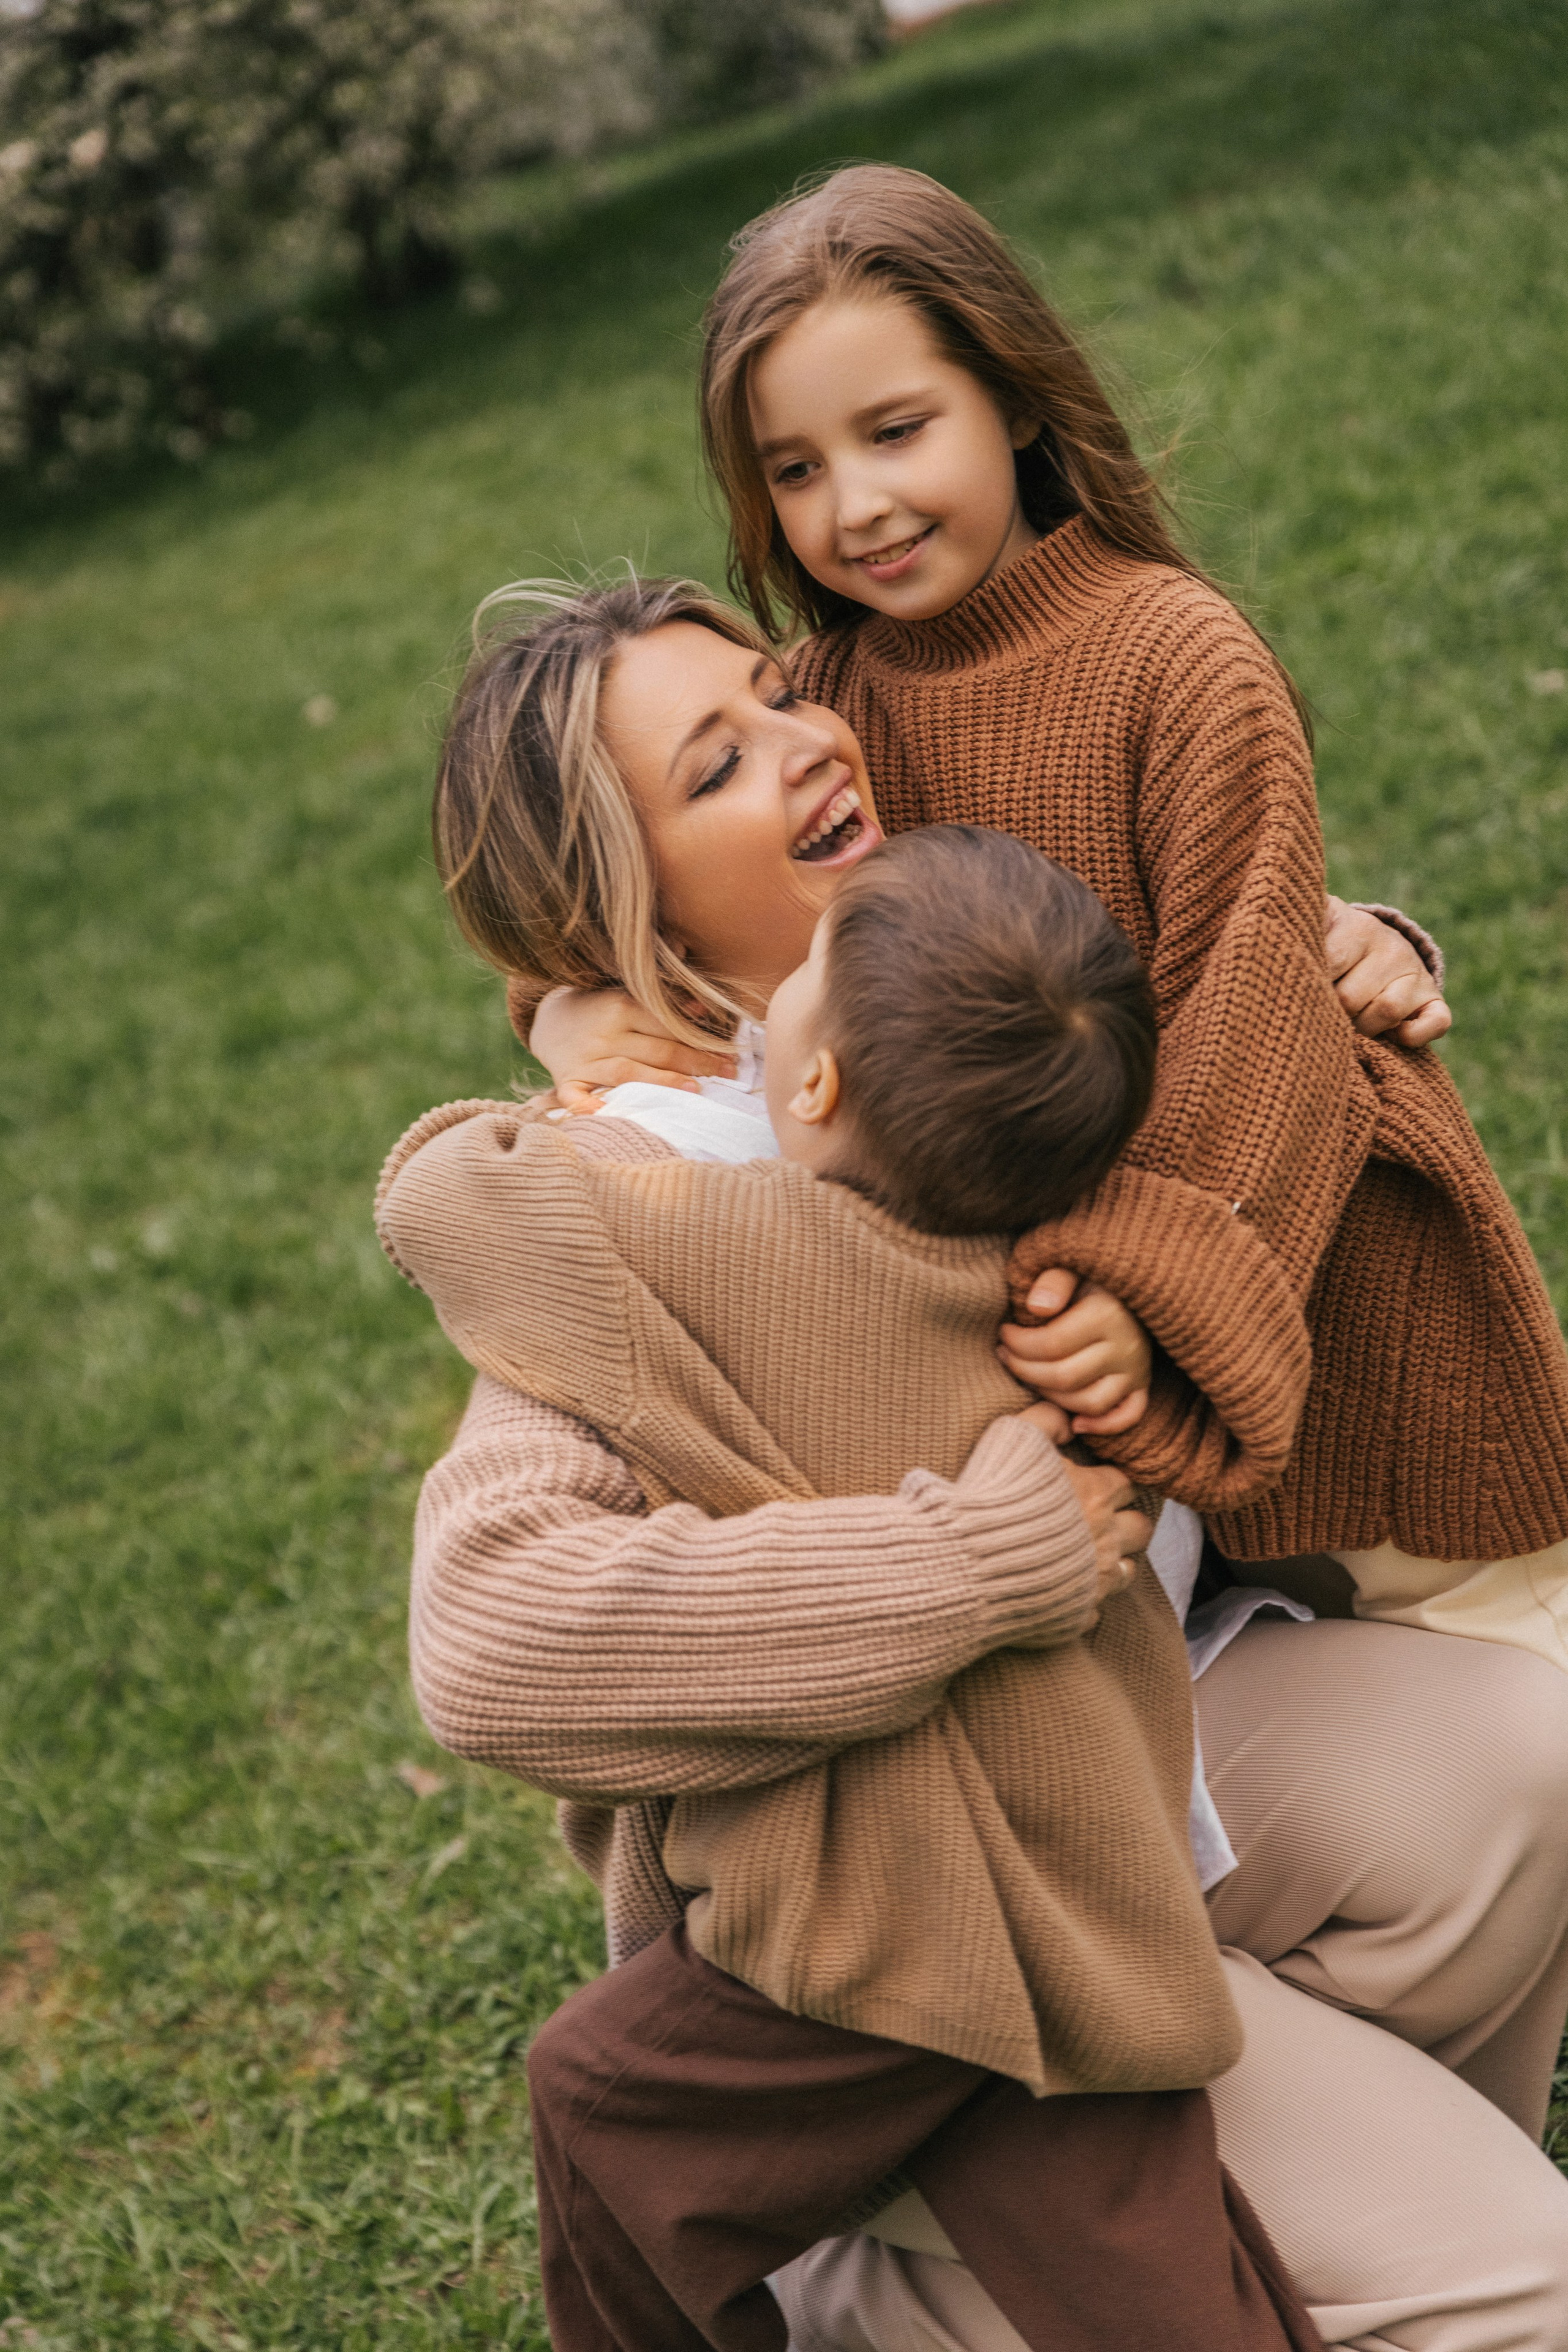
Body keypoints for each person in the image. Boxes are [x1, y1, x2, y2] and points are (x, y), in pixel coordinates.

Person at [385, 577, 1568, 2351]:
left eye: (783, 698)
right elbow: (495, 1641)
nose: (808, 744)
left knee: (1524, 1768)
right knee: (1531, 2289)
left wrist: (1341, 946)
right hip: (925, 1926)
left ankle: (1242, 2226)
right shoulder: (626, 1205)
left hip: (1128, 1761)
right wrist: (974, 1557)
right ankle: (882, 2277)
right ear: (611, 914)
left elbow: (1206, 984)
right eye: (721, 764)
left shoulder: (962, 990)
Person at [380, 822, 1322, 2351]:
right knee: (1173, 2296)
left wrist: (559, 1052)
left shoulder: (728, 1255)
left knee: (594, 2107)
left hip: (866, 1929)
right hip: (1101, 1891)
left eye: (805, 983)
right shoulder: (1030, 1273)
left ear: (805, 1089)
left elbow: (447, 1206)